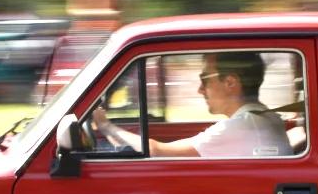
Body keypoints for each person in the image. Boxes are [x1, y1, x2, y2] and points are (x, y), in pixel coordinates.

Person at [91, 52, 293, 157]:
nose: (199, 90)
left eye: (204, 79)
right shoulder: (267, 118)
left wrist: (105, 126)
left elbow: (155, 152)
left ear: (230, 82)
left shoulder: (242, 127)